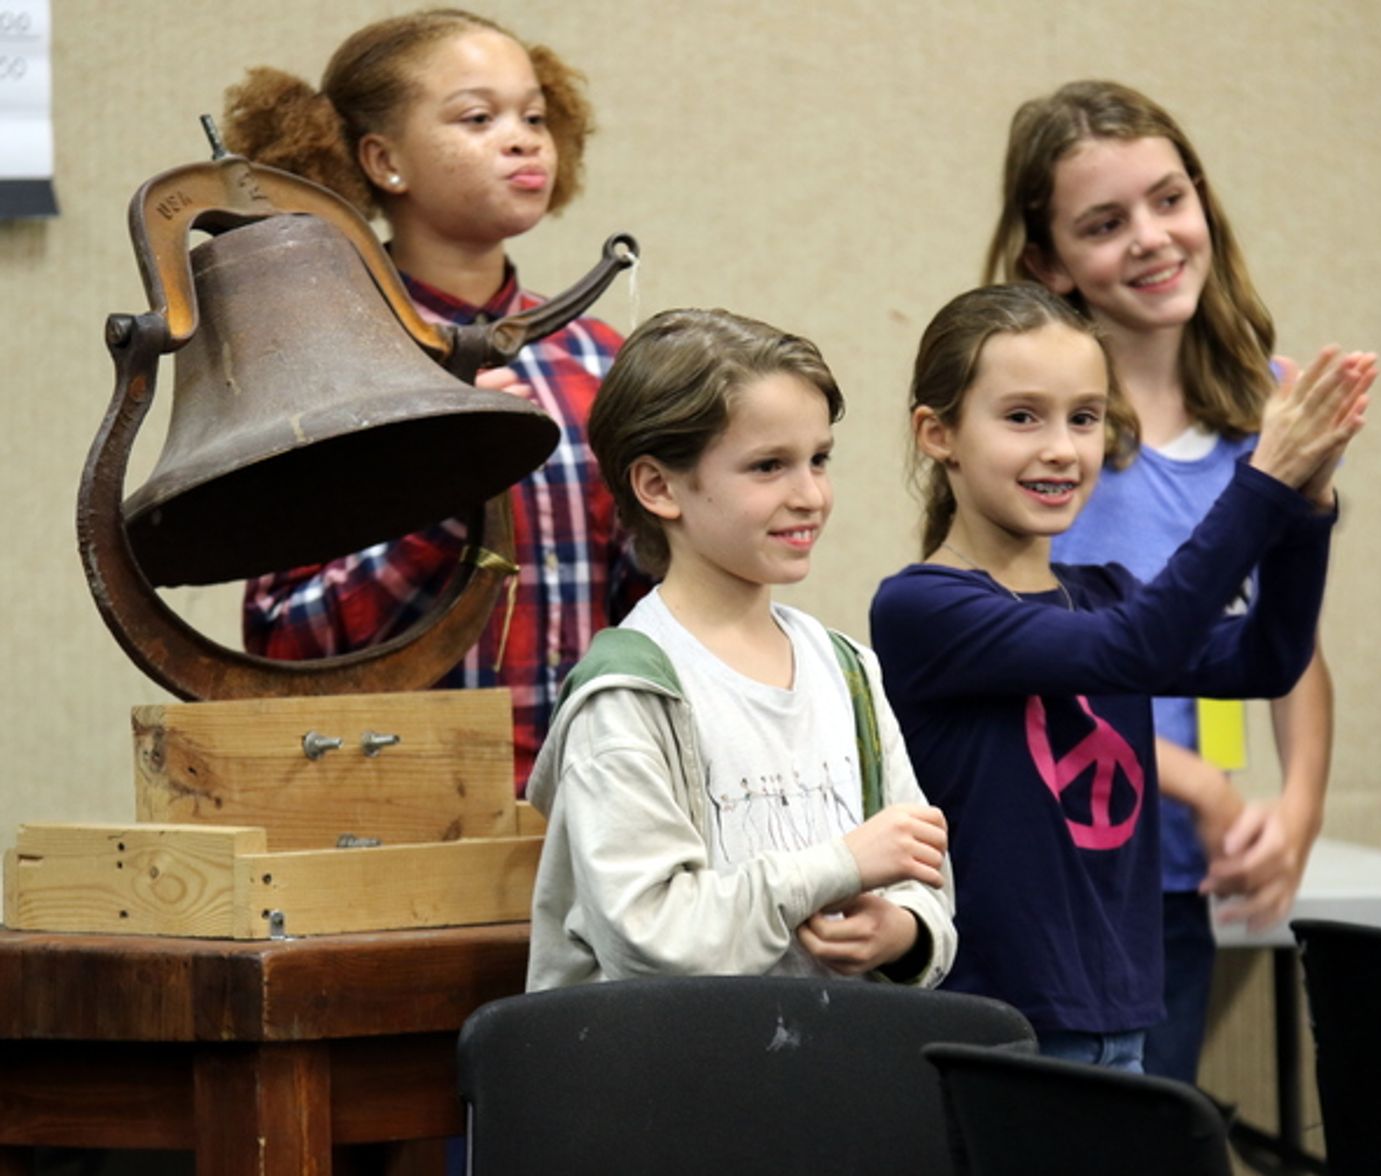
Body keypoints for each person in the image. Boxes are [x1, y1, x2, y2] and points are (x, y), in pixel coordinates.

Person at [870, 282, 1371, 1070]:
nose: (1063, 448)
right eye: (1022, 416)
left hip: (1124, 1008)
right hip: (1002, 1024)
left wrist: (1305, 507)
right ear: (938, 434)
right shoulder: (924, 606)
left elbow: (1269, 659)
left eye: (1086, 416)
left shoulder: (1104, 590)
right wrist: (1262, 484)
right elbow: (1131, 651)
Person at [981, 79, 1360, 1079]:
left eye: (1165, 199)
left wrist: (1297, 807)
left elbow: (1286, 637)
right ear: (1047, 264)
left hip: (1183, 883)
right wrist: (1191, 782)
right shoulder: (1054, 443)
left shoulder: (1265, 410)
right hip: (1077, 874)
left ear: (1201, 201)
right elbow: (1053, 659)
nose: (1148, 238)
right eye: (1103, 224)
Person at [223, 8, 648, 792]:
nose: (522, 140)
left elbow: (645, 613)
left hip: (594, 813)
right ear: (383, 160)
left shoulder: (599, 357)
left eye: (534, 117)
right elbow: (284, 637)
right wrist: (451, 484)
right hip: (400, 814)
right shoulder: (324, 357)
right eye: (478, 118)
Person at [526, 308, 958, 991]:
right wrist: (838, 865)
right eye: (768, 467)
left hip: (830, 1076)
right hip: (674, 1087)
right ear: (658, 486)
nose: (810, 494)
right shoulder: (628, 693)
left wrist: (901, 932)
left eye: (819, 460)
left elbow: (920, 880)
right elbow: (649, 936)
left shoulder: (846, 670)